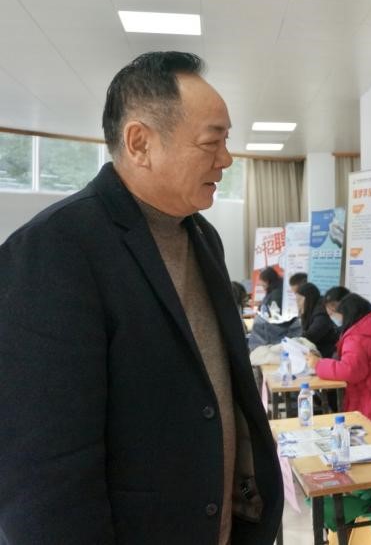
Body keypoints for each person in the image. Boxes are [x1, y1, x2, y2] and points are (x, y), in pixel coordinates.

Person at [0, 51, 283, 544]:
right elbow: (44, 471)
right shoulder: (55, 248)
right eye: (211, 141)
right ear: (140, 143)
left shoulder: (203, 238)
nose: (226, 159)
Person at [306, 292, 371, 429]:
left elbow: (351, 370)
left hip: (369, 399)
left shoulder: (355, 337)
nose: (336, 319)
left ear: (349, 314)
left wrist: (318, 364)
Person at [296, 282, 339, 358]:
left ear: (308, 299)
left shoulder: (322, 314)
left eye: (299, 299)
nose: (297, 303)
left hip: (327, 354)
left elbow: (310, 336)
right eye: (296, 299)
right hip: (317, 351)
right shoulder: (312, 309)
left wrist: (294, 341)